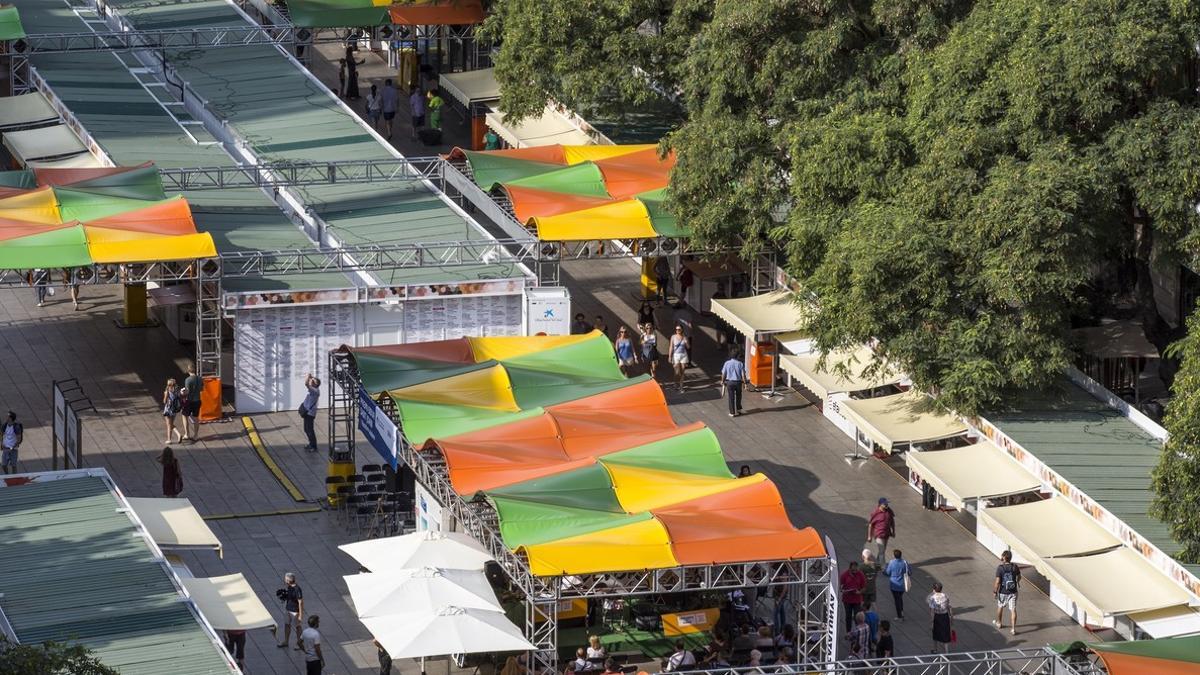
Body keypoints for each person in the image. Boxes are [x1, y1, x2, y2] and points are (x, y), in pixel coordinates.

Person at [993, 550, 1022, 635]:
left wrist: (995, 591)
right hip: (1013, 592)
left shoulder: (1000, 568)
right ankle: (1013, 629)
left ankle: (999, 623)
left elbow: (997, 581)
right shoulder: (1015, 566)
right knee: (1013, 609)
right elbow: (1019, 576)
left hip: (1003, 592)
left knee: (1000, 607)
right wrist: (1017, 582)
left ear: (1004, 558)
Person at [277, 572, 304, 649]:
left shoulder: (297, 589)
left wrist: (300, 615)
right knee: (287, 625)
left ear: (289, 580)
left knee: (298, 627)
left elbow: (300, 602)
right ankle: (286, 641)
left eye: (285, 579)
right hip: (288, 609)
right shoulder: (289, 587)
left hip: (295, 611)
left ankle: (299, 643)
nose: (284, 580)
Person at [839, 561, 867, 633]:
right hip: (847, 600)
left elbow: (864, 587)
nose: (855, 571)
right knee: (848, 616)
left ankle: (858, 631)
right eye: (853, 570)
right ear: (850, 568)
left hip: (857, 600)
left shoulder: (860, 574)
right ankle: (848, 632)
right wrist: (842, 590)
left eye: (856, 570)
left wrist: (860, 592)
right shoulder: (844, 575)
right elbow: (840, 586)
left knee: (857, 617)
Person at [867, 498, 896, 564]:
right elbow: (870, 525)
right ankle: (883, 566)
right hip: (879, 534)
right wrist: (869, 536)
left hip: (887, 534)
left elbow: (892, 522)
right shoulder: (875, 513)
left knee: (882, 551)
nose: (886, 505)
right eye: (885, 504)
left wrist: (893, 531)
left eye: (887, 503)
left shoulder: (889, 511)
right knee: (882, 551)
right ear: (880, 504)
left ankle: (877, 563)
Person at [720, 346, 747, 417]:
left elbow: (723, 373)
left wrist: (722, 381)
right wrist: (745, 383)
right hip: (738, 382)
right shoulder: (740, 363)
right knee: (739, 396)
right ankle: (739, 409)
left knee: (731, 397)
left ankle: (732, 412)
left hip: (730, 382)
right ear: (738, 355)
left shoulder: (727, 363)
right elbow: (743, 375)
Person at [884, 549, 910, 621]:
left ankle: (900, 616)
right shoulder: (904, 562)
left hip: (894, 585)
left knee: (897, 600)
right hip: (902, 584)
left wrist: (884, 571)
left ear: (894, 555)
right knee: (900, 598)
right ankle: (901, 612)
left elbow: (888, 573)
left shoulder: (891, 563)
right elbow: (910, 572)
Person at [927, 582, 953, 653]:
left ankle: (935, 649)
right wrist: (951, 616)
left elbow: (932, 611)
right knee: (945, 633)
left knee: (935, 633)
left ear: (934, 589)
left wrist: (931, 622)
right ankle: (946, 651)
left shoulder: (932, 598)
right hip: (945, 616)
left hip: (937, 616)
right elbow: (949, 607)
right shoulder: (945, 596)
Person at [300, 374, 320, 451]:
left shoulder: (314, 391)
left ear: (316, 384)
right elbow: (309, 383)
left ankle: (314, 446)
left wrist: (308, 377)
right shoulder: (314, 389)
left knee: (310, 430)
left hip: (310, 414)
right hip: (307, 412)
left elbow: (306, 384)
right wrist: (311, 377)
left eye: (313, 381)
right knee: (306, 429)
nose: (311, 381)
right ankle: (311, 444)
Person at [183, 364, 202, 441]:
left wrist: (182, 392)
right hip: (197, 401)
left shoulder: (188, 380)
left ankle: (187, 434)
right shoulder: (200, 378)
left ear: (188, 370)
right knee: (196, 418)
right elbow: (202, 389)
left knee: (184, 416)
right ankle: (196, 435)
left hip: (189, 401)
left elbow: (187, 392)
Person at [162, 378, 183, 444]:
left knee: (169, 425)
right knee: (170, 424)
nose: (167, 385)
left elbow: (164, 401)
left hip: (168, 410)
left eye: (168, 384)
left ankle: (171, 438)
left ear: (169, 385)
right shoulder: (177, 391)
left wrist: (165, 394)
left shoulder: (168, 391)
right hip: (174, 410)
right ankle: (174, 436)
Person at [669, 325, 689, 391]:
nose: (677, 331)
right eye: (676, 329)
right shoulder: (673, 337)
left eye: (679, 329)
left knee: (682, 371)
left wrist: (686, 342)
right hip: (676, 355)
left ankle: (681, 386)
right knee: (677, 372)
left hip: (683, 355)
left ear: (682, 330)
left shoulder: (684, 337)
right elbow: (671, 347)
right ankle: (675, 383)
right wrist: (669, 356)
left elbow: (688, 347)